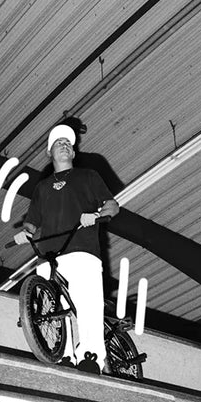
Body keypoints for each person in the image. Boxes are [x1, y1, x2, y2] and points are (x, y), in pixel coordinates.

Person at [13, 124, 121, 372]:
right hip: (49, 256)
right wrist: (26, 232)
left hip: (82, 248)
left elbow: (112, 205)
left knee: (86, 302)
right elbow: (33, 220)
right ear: (49, 152)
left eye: (69, 143)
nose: (65, 145)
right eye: (59, 142)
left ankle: (91, 356)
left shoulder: (88, 176)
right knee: (53, 307)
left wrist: (97, 215)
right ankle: (65, 356)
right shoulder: (42, 188)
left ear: (73, 153)